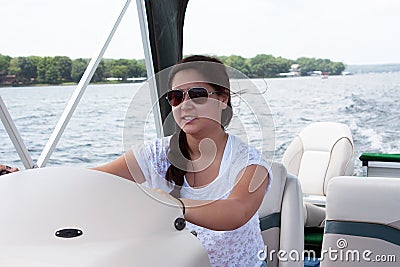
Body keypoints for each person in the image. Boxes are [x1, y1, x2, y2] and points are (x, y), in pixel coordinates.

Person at [1, 55, 271, 267]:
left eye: (197, 94)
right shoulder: (154, 153)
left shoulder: (250, 163)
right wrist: (23, 179)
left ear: (223, 98)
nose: (184, 105)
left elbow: (236, 212)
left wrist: (170, 203)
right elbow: (89, 181)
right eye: (176, 97)